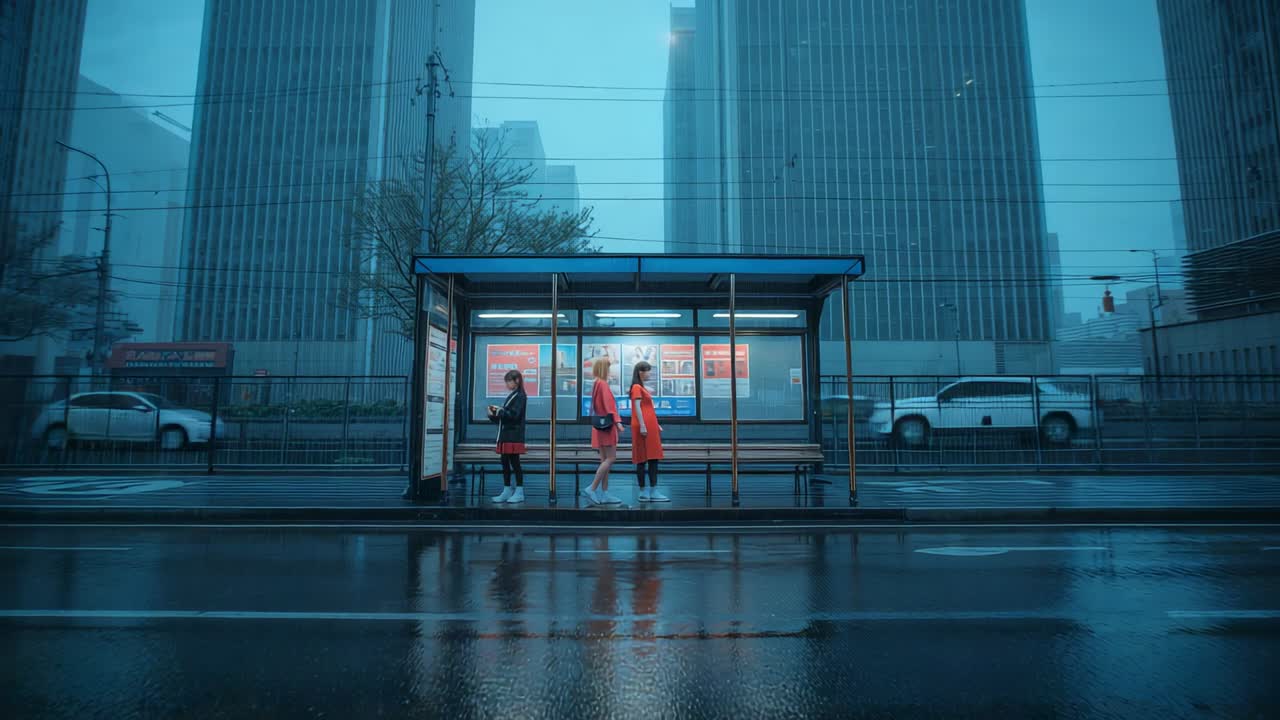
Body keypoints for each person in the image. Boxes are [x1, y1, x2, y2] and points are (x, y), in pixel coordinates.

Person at [628, 361, 669, 502]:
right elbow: (637, 407)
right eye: (648, 371)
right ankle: (646, 491)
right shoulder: (637, 387)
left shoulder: (640, 387)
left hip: (649, 427)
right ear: (641, 371)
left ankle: (650, 491)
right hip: (644, 427)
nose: (650, 373)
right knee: (643, 458)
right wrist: (643, 425)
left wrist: (656, 425)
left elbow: (647, 408)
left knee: (651, 458)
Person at [585, 356, 622, 505]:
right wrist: (618, 422)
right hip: (607, 427)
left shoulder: (596, 384)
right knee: (611, 458)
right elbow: (609, 407)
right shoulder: (604, 384)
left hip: (598, 427)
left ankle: (605, 493)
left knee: (604, 460)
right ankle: (592, 488)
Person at [488, 369, 528, 503]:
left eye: (508, 381)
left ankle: (519, 491)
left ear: (516, 381)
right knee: (505, 462)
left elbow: (514, 415)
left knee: (515, 463)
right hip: (506, 435)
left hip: (513, 435)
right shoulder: (513, 395)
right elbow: (507, 415)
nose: (507, 384)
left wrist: (500, 412)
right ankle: (507, 489)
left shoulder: (520, 396)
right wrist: (494, 415)